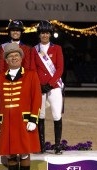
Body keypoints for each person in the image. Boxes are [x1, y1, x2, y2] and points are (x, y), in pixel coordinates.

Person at [0, 43, 41, 170]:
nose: (13, 58)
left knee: (24, 153)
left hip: (24, 122)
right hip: (7, 123)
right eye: (10, 56)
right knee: (10, 153)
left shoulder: (31, 75)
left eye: (16, 55)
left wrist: (33, 118)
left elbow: (37, 98)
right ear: (6, 59)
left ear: (21, 58)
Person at [30, 20, 64, 154]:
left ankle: (57, 145)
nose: (45, 35)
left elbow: (60, 69)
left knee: (56, 114)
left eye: (47, 33)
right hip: (40, 87)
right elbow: (33, 69)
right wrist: (39, 85)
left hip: (54, 86)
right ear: (39, 35)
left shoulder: (57, 48)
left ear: (50, 34)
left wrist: (49, 84)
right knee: (41, 115)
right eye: (42, 33)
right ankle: (41, 145)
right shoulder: (34, 50)